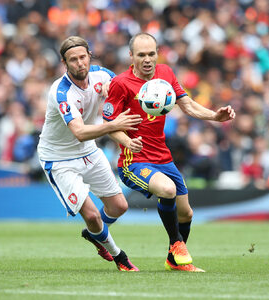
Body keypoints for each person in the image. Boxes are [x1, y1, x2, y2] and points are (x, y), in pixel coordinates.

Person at [103, 33, 236, 272]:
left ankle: (174, 261)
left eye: (151, 54)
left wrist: (215, 116)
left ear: (157, 53)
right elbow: (109, 124)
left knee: (186, 213)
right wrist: (125, 141)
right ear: (131, 56)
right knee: (167, 190)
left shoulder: (165, 74)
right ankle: (176, 244)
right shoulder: (120, 84)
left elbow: (187, 104)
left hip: (163, 158)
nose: (147, 59)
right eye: (141, 55)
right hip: (134, 160)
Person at [37, 36, 142, 271]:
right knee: (93, 216)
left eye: (83, 57)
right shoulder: (60, 92)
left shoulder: (103, 75)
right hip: (59, 158)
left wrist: (112, 92)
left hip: (88, 152)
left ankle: (95, 235)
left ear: (89, 56)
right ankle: (120, 257)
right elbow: (80, 132)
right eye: (73, 60)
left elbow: (126, 93)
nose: (79, 63)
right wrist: (114, 125)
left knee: (119, 207)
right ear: (65, 63)